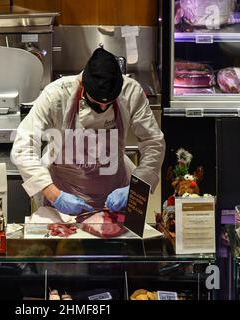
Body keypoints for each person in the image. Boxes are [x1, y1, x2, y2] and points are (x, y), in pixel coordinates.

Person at [11, 47, 165, 215]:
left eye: (108, 103)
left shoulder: (131, 92)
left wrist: (137, 188)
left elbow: (153, 142)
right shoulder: (56, 94)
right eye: (96, 102)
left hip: (116, 195)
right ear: (82, 84)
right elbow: (23, 146)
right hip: (63, 193)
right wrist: (54, 194)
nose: (103, 107)